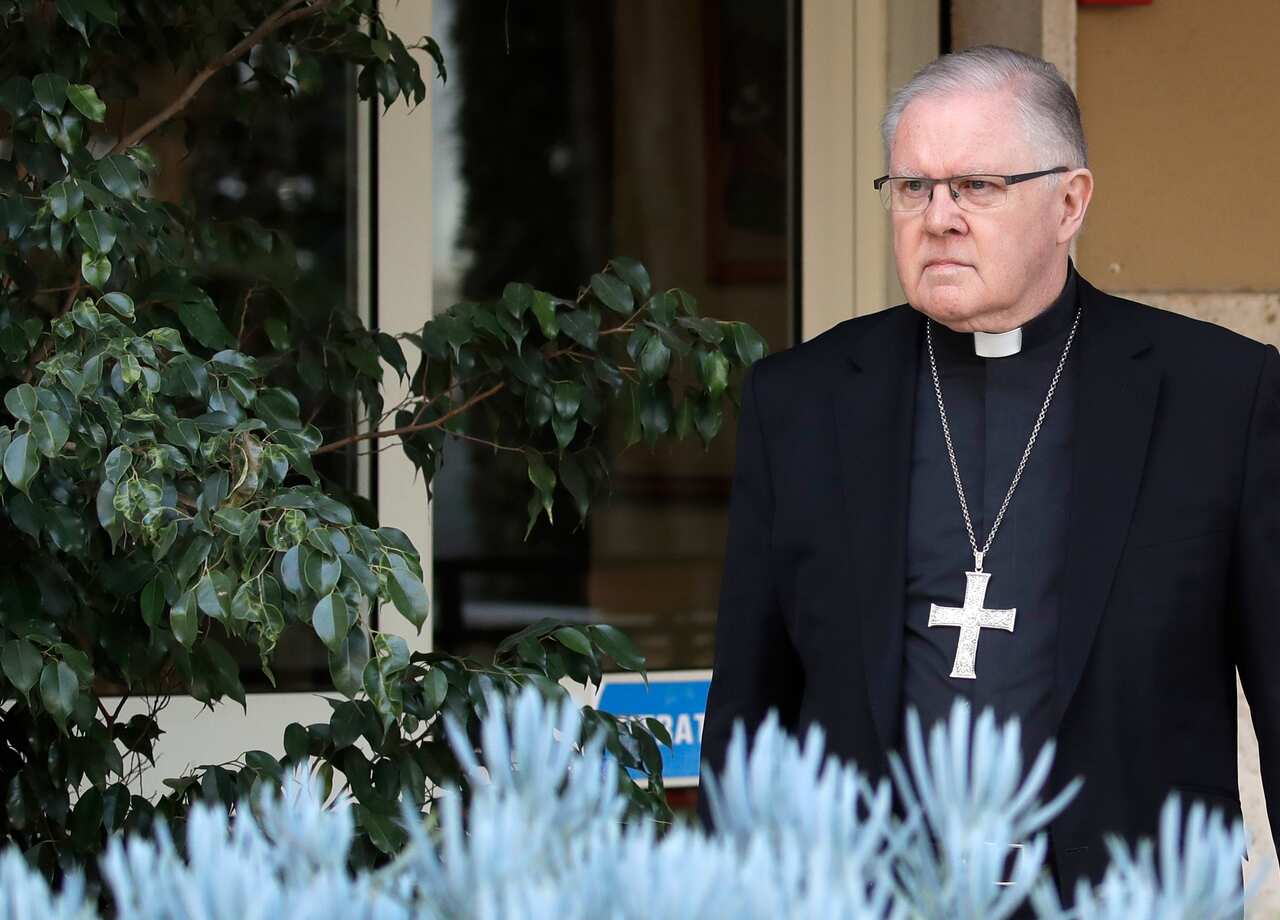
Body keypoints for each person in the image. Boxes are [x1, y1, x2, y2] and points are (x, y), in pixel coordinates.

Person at [695, 43, 1279, 906]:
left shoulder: (1220, 397)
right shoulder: (804, 401)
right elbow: (750, 708)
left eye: (976, 186)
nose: (938, 216)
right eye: (912, 187)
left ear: (1070, 202)